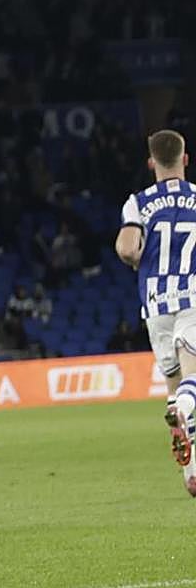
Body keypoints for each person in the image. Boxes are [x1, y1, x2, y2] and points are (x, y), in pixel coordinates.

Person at [114, 129, 196, 497]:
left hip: (155, 302)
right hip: (192, 294)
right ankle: (183, 409)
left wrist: (137, 260)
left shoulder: (137, 202)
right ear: (185, 160)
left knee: (174, 381)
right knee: (193, 382)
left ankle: (191, 473)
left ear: (151, 163)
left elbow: (129, 248)